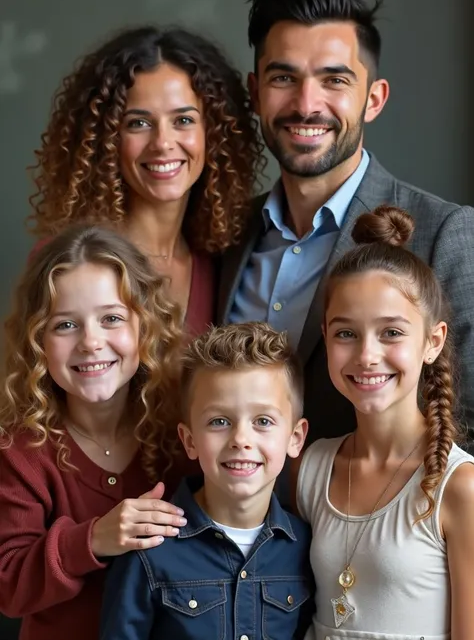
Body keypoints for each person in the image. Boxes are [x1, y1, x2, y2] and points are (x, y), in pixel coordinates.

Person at [218, 0, 474, 454]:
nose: (306, 104)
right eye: (283, 78)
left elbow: (471, 420)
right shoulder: (225, 235)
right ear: (255, 93)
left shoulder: (445, 233)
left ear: (373, 99)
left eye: (334, 79)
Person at [0, 226, 190, 640]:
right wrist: (94, 538)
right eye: (65, 325)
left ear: (146, 326)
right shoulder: (21, 451)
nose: (90, 342)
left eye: (112, 319)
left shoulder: (183, 437)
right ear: (37, 341)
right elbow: (8, 585)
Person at [297, 205, 474, 639]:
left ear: (432, 342)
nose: (366, 355)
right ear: (326, 336)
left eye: (391, 332)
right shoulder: (310, 467)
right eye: (346, 333)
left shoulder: (460, 487)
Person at [29, 25, 266, 335]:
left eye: (183, 120)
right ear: (105, 139)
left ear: (215, 133)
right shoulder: (66, 264)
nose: (162, 143)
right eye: (138, 123)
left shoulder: (224, 264)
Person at [100, 322, 315, 640]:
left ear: (295, 438)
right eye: (219, 421)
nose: (241, 439)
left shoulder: (305, 547)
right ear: (189, 440)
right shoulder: (148, 548)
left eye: (263, 421)